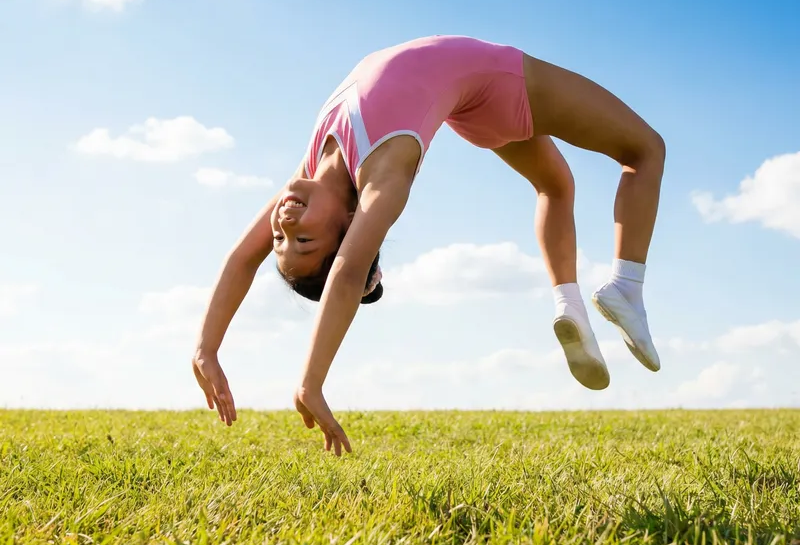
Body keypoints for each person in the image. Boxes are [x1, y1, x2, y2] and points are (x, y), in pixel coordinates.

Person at [192, 36, 666, 455]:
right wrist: (311, 381)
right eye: (305, 239)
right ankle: (626, 285)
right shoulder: (384, 176)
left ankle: (570, 306)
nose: (286, 222)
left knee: (556, 186)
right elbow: (348, 272)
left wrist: (206, 348)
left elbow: (241, 257)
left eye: (281, 238)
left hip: (469, 104)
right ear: (351, 222)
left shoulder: (313, 166)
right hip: (497, 80)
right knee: (646, 149)